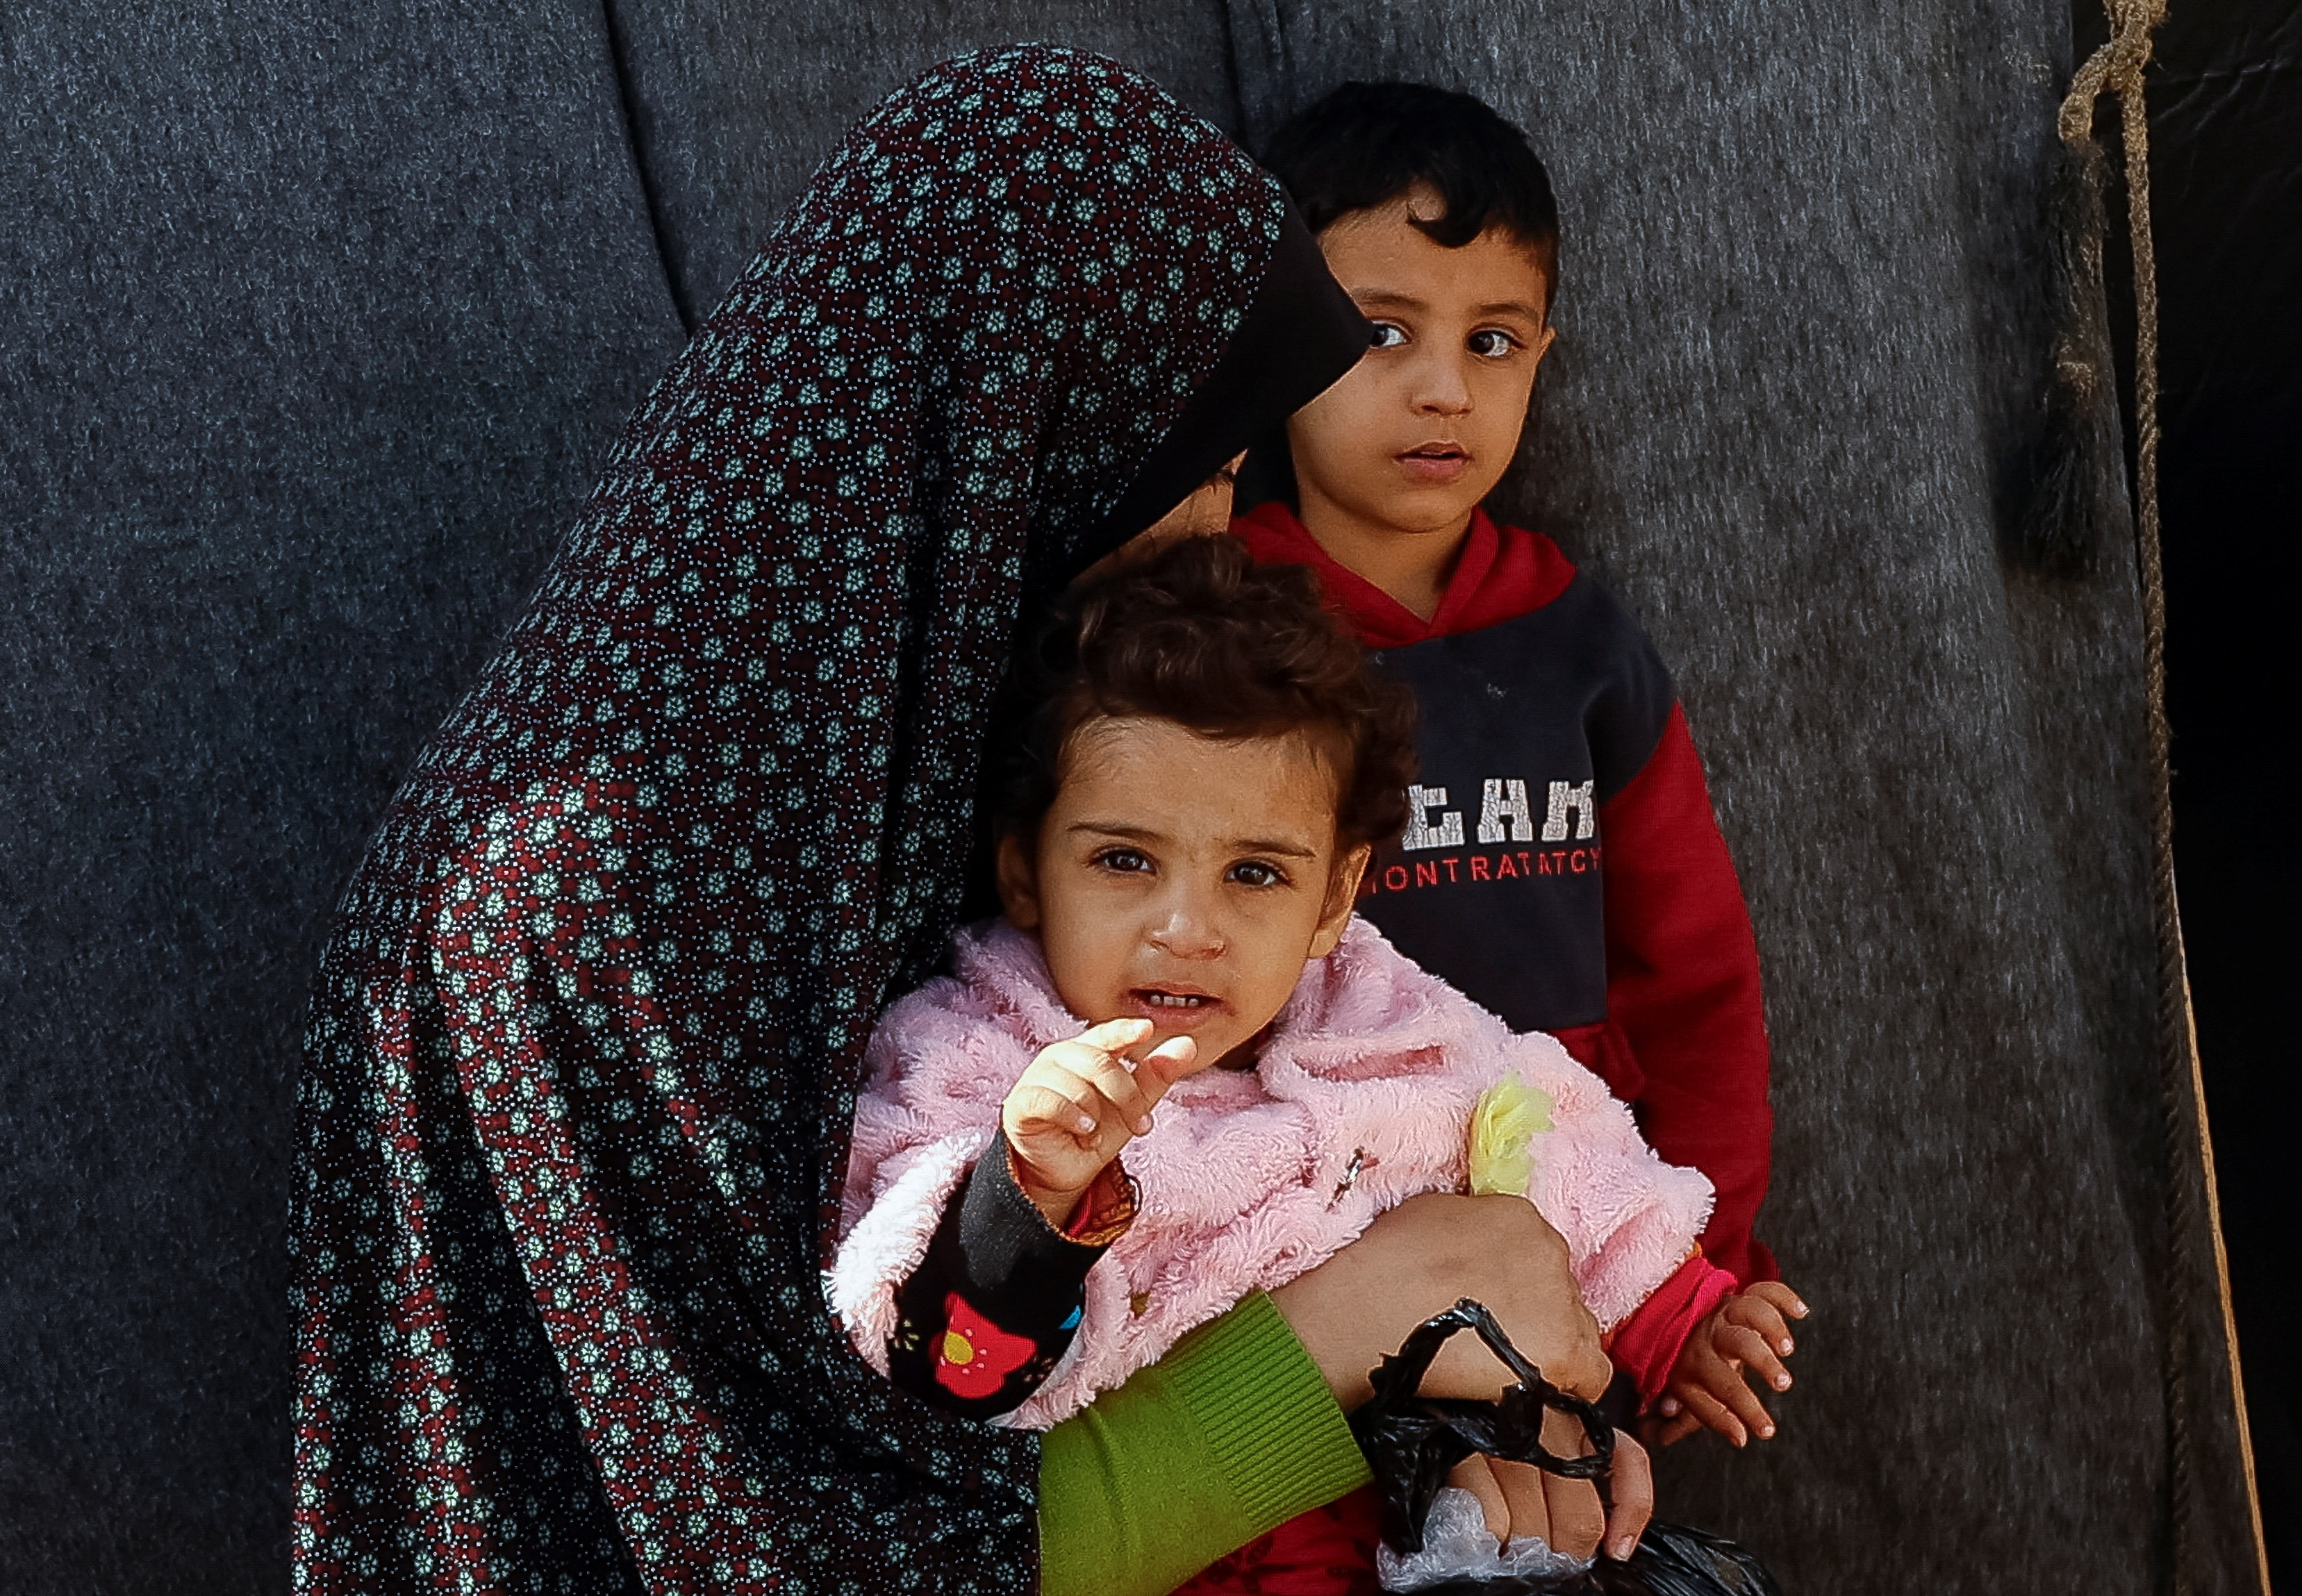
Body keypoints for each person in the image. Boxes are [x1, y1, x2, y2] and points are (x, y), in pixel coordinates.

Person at [289, 47, 1646, 1596]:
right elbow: (810, 1546)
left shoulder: (863, 760)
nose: (1219, 534)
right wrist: (1367, 1325)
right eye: (1196, 468)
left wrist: (1456, 1408)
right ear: (1012, 430)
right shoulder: (591, 921)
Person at [832, 537, 1744, 1592]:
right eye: (1123, 860)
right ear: (1024, 871)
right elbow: (925, 1362)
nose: (1185, 926)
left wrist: (1680, 1313)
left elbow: (1552, 1151)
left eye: (1254, 873)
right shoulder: (974, 1058)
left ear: (1332, 898)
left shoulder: (1383, 1025)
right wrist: (1023, 1195)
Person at [1230, 82, 1805, 1449]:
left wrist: (1694, 1265)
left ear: (1545, 353)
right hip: (1311, 1223)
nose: (1444, 388)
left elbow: (1700, 977)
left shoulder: (1579, 645)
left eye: (1494, 340)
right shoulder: (1212, 634)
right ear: (1271, 346)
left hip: (1580, 1215)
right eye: (1378, 333)